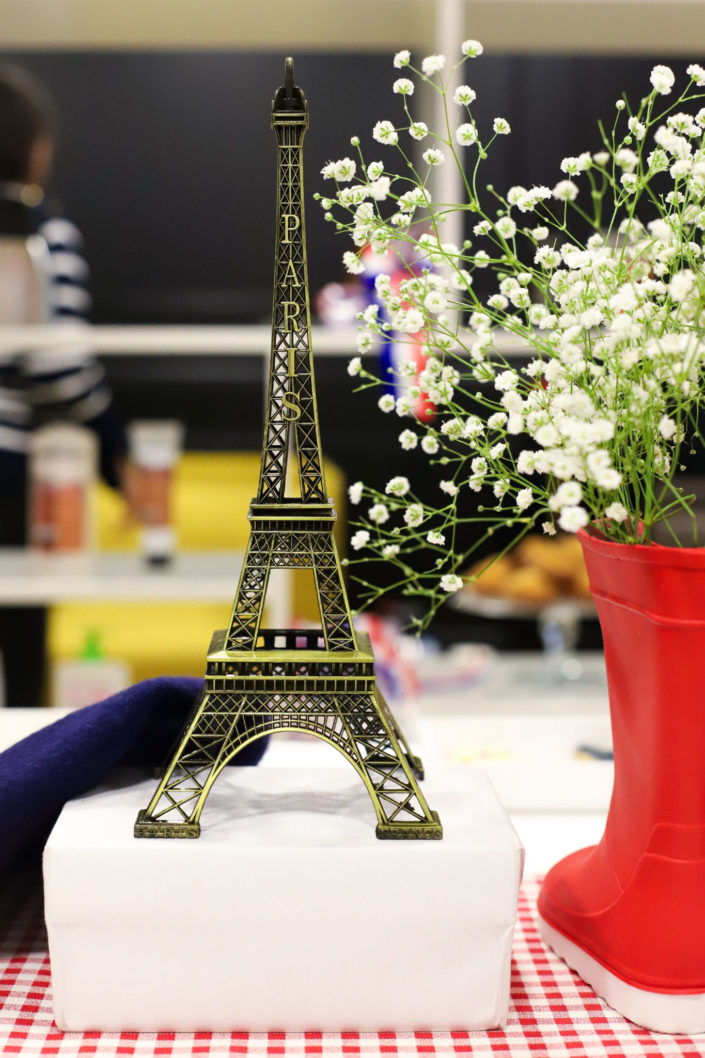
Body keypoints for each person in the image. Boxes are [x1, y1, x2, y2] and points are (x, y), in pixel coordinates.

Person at [0, 63, 130, 705]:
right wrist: (116, 453)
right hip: (11, 473)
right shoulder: (41, 235)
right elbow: (60, 372)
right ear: (36, 151)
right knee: (22, 645)